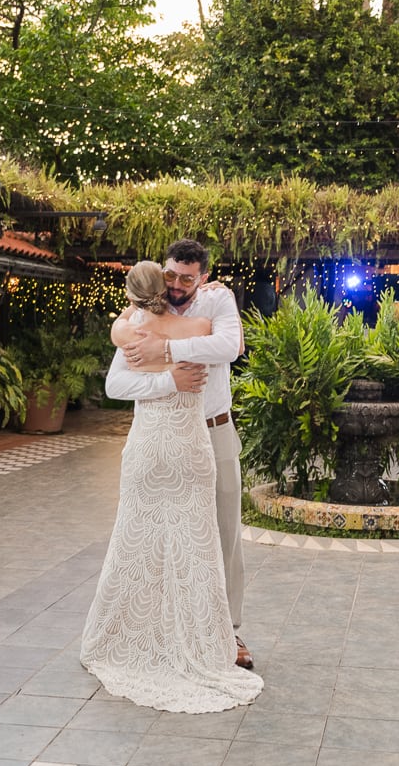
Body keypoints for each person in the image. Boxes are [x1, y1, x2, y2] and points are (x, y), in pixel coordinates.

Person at [79, 261, 262, 713]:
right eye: (172, 276)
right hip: (174, 445)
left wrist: (151, 342)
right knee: (178, 545)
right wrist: (170, 371)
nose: (179, 284)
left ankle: (197, 633)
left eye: (188, 277)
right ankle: (184, 637)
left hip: (179, 442)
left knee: (167, 540)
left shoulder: (137, 328)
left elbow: (117, 384)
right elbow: (120, 381)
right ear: (163, 280)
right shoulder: (184, 325)